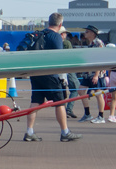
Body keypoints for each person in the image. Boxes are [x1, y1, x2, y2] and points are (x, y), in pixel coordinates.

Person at [22, 12, 80, 142]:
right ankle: (65, 132)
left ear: (48, 22)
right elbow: (58, 58)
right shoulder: (56, 37)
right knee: (60, 103)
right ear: (60, 24)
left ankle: (29, 131)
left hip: (36, 73)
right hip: (50, 75)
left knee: (35, 102)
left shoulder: (39, 34)